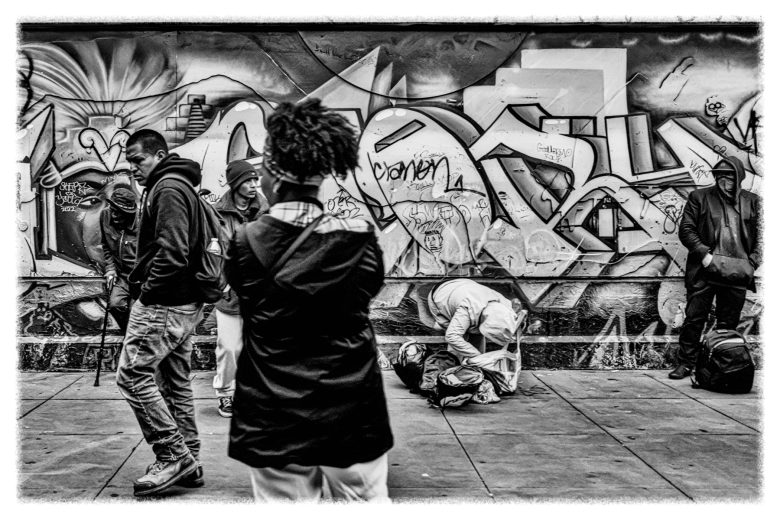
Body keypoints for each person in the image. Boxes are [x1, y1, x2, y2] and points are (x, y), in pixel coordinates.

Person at [227, 99, 393, 502]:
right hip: (349, 403)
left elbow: (242, 299)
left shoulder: (245, 242)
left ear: (273, 175)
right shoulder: (358, 239)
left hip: (273, 406)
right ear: (321, 176)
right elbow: (367, 292)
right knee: (367, 505)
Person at [116, 129, 207, 496]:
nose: (133, 168)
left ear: (159, 153)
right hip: (184, 302)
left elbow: (173, 253)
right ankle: (191, 460)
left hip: (164, 303)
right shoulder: (180, 184)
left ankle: (173, 455)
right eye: (130, 161)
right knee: (174, 381)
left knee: (132, 376)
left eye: (138, 160)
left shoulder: (167, 188)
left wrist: (147, 296)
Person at [670, 156, 762, 379]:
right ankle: (687, 363)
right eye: (719, 174)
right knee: (694, 319)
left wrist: (753, 262)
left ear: (739, 176)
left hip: (737, 273)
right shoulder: (699, 197)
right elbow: (687, 230)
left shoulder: (753, 201)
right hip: (705, 271)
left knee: (727, 324)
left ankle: (722, 364)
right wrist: (704, 256)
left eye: (729, 175)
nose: (724, 179)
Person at [212, 159, 269, 418]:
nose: (253, 185)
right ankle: (225, 393)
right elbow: (211, 251)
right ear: (235, 183)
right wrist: (221, 283)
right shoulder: (217, 214)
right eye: (247, 180)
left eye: (255, 180)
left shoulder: (265, 211)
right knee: (229, 346)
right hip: (230, 293)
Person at [428, 278, 521, 362]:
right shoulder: (466, 310)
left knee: (476, 335)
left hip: (464, 286)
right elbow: (452, 337)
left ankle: (475, 369)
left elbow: (510, 320)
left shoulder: (505, 306)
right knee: (459, 339)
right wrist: (477, 356)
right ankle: (453, 369)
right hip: (441, 296)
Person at [99, 186, 138, 332]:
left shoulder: (142, 224)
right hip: (121, 276)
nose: (114, 215)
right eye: (112, 209)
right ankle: (130, 337)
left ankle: (133, 341)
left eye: (119, 212)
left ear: (129, 213)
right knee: (115, 305)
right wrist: (110, 269)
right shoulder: (105, 216)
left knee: (136, 314)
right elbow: (106, 246)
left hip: (140, 278)